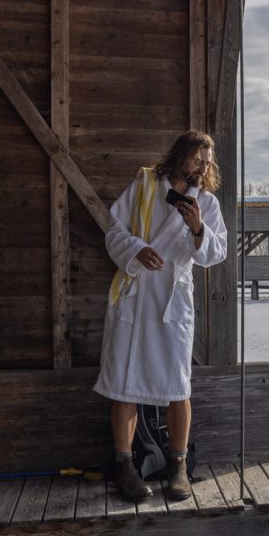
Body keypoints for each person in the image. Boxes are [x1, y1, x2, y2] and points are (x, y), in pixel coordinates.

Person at [94, 131, 228, 502]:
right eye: (198, 158)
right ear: (182, 155)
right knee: (124, 383)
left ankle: (179, 466)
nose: (203, 166)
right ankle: (125, 466)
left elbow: (217, 253)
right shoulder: (144, 187)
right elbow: (113, 230)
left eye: (208, 161)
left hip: (172, 302)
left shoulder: (207, 203)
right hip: (136, 296)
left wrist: (198, 227)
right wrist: (136, 250)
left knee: (177, 386)